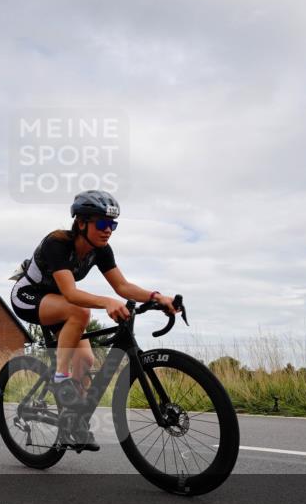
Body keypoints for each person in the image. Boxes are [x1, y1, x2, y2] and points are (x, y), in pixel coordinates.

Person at [10, 190, 179, 450]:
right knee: (79, 311)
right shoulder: (57, 243)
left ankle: (72, 422)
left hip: (58, 303)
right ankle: (59, 378)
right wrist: (106, 302)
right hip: (28, 296)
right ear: (81, 223)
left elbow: (122, 286)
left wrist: (156, 297)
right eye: (102, 223)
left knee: (87, 360)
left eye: (112, 225)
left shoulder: (101, 250)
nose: (108, 230)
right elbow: (70, 293)